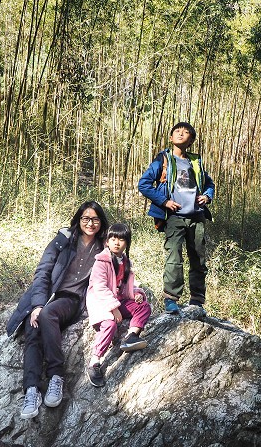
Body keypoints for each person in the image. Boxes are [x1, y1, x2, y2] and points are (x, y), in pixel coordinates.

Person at [5, 200, 109, 420]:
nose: (90, 223)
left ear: (101, 221)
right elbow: (42, 272)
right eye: (86, 218)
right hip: (47, 295)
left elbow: (118, 272)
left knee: (47, 315)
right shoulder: (63, 240)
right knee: (33, 329)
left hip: (71, 300)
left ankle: (56, 376)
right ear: (79, 219)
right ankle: (31, 390)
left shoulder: (104, 247)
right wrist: (37, 304)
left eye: (95, 219)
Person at [138, 122, 215, 314]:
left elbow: (209, 184)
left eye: (186, 132)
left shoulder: (195, 162)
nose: (181, 134)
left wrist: (207, 196)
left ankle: (197, 300)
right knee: (174, 257)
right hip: (174, 216)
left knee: (198, 258)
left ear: (191, 141)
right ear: (171, 138)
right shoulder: (162, 160)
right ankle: (171, 299)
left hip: (196, 216)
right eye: (177, 131)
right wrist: (164, 202)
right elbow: (144, 184)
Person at [85, 223, 152, 387]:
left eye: (121, 239)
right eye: (113, 238)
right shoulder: (101, 261)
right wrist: (114, 309)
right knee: (110, 325)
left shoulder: (125, 261)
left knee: (144, 306)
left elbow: (126, 286)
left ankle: (131, 336)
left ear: (127, 243)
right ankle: (95, 362)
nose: (116, 242)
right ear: (107, 241)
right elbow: (100, 287)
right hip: (100, 302)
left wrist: (135, 294)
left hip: (117, 299)